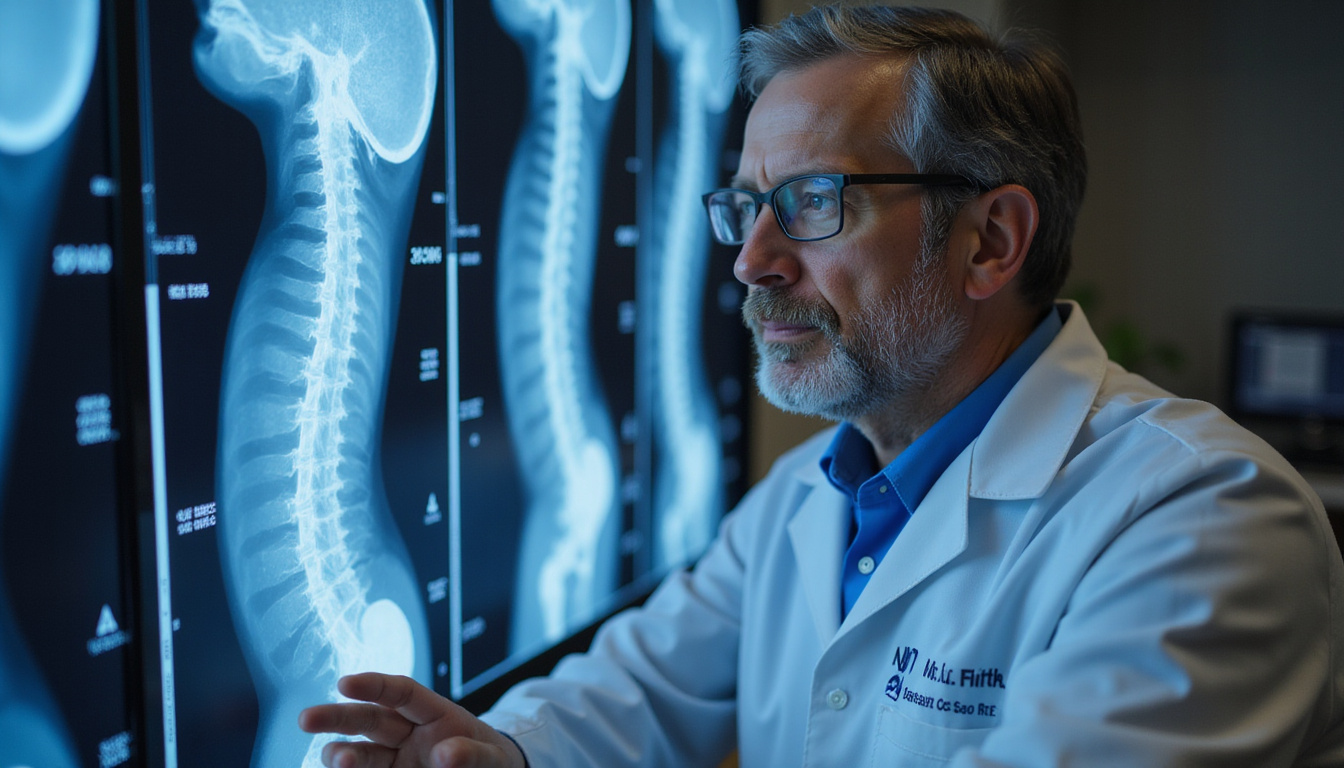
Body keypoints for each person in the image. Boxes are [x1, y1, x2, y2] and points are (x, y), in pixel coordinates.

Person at [298, 5, 1344, 766]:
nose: (751, 260)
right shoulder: (810, 497)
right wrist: (503, 753)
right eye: (745, 205)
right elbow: (640, 691)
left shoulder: (1203, 518)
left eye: (810, 201)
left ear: (992, 240)